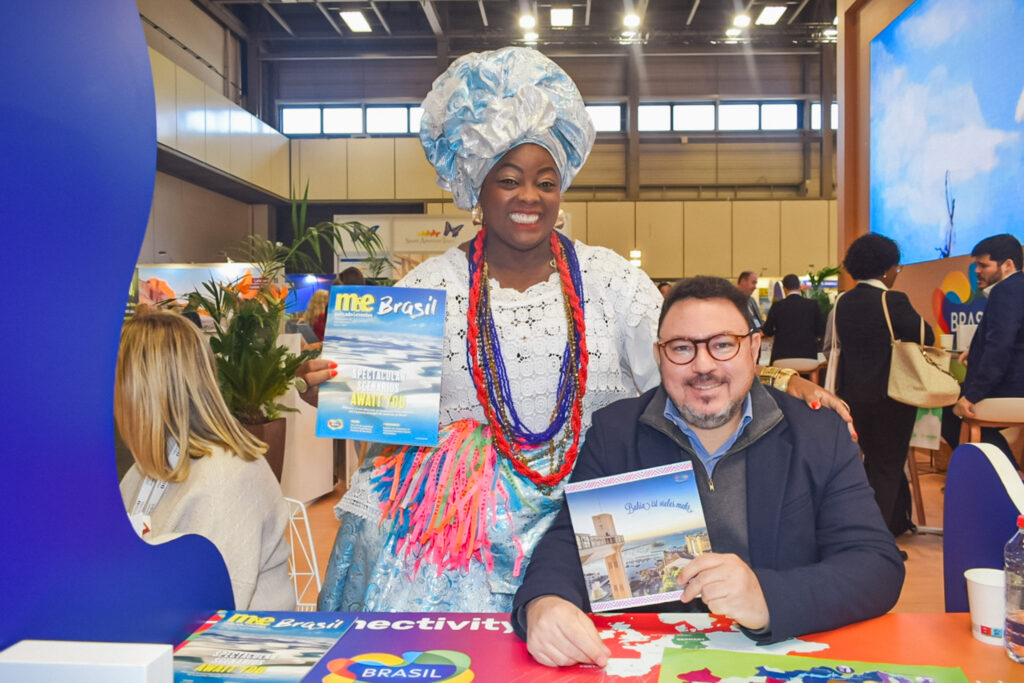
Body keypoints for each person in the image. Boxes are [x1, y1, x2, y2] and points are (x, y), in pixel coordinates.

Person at [302, 47, 850, 614]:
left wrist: (785, 384)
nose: (529, 197)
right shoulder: (429, 285)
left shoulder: (611, 280)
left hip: (601, 508)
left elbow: (690, 361)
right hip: (455, 534)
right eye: (509, 180)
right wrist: (334, 385)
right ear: (475, 189)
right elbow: (386, 414)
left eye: (546, 180)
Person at [511, 276, 904, 667]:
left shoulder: (817, 435)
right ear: (659, 354)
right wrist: (544, 602)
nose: (703, 366)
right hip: (650, 661)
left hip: (781, 659)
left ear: (753, 347)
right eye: (682, 348)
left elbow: (875, 565)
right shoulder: (617, 433)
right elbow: (571, 541)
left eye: (722, 345)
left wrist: (766, 596)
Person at [115, 313, 293, 610]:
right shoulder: (149, 468)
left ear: (139, 391)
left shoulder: (225, 479)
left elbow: (210, 607)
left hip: (235, 648)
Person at [834, 233, 933, 538]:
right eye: (897, 269)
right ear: (887, 269)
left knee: (871, 463)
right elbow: (925, 336)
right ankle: (879, 542)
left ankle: (894, 523)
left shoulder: (843, 301)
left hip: (852, 396)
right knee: (888, 466)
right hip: (891, 396)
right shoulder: (893, 300)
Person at [941, 234, 1024, 465]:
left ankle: (1008, 478)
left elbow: (1001, 347)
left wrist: (973, 395)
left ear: (1007, 265)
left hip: (1011, 389)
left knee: (952, 411)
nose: (976, 271)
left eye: (983, 265)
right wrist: (974, 352)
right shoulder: (1017, 288)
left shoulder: (1005, 291)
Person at [762, 273, 825, 364]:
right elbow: (821, 330)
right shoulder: (812, 305)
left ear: (784, 289)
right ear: (799, 287)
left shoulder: (777, 306)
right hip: (808, 357)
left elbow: (767, 331)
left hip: (782, 357)